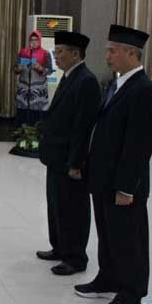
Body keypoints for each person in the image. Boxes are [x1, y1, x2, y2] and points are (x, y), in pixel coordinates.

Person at [75, 25, 152, 304]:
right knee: (109, 236)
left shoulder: (143, 90)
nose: (107, 56)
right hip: (104, 179)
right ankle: (108, 278)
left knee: (128, 241)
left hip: (124, 185)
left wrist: (126, 188)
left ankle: (131, 299)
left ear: (130, 53)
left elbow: (139, 145)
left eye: (112, 50)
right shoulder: (118, 84)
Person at [36, 32, 100, 276]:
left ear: (75, 53)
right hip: (57, 157)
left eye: (60, 51)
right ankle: (60, 247)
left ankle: (75, 257)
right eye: (55, 51)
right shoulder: (69, 76)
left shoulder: (86, 81)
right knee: (56, 205)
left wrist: (76, 162)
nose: (56, 55)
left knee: (73, 209)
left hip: (71, 160)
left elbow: (83, 127)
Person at [14, 30, 53, 126]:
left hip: (38, 91)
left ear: (40, 41)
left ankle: (36, 132)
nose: (34, 42)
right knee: (23, 113)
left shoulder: (45, 53)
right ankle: (22, 131)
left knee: (37, 114)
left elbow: (50, 71)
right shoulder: (23, 52)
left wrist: (41, 68)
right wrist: (18, 68)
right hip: (24, 89)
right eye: (32, 40)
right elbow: (15, 69)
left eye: (36, 40)